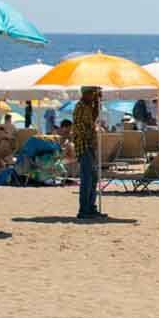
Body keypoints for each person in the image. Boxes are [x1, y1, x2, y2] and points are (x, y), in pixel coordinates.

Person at [73, 86, 102, 219]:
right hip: (84, 145)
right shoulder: (80, 107)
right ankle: (84, 209)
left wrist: (97, 103)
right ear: (85, 94)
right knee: (87, 178)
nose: (92, 96)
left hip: (89, 145)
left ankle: (91, 207)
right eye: (91, 94)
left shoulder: (89, 106)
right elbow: (78, 127)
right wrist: (90, 137)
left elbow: (94, 117)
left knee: (93, 177)